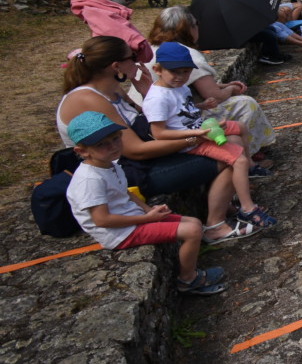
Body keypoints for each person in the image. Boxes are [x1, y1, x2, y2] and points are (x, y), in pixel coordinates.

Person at [56, 36, 256, 245]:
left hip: (136, 162)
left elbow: (146, 119)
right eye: (132, 57)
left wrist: (146, 91)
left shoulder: (111, 89)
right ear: (116, 66)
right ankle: (215, 226)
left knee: (229, 139)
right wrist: (193, 139)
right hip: (127, 170)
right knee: (229, 157)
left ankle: (228, 205)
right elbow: (135, 150)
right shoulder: (89, 99)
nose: (138, 62)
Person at [64, 111, 224, 295]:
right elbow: (102, 220)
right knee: (193, 231)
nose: (113, 146)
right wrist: (147, 218)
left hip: (133, 218)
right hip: (118, 233)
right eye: (102, 144)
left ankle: (191, 266)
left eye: (116, 139)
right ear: (82, 151)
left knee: (194, 222)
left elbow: (123, 192)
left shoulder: (110, 164)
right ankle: (188, 280)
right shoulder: (89, 180)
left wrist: (149, 210)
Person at [142, 43, 278, 230]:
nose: (181, 77)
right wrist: (196, 134)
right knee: (238, 160)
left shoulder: (179, 87)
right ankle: (248, 207)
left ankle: (250, 168)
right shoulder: (157, 98)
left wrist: (202, 106)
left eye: (186, 72)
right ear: (157, 70)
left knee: (240, 128)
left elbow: (181, 111)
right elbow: (158, 133)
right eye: (175, 72)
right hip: (191, 142)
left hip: (203, 129)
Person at [137, 6, 278, 161]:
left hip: (146, 114)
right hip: (172, 119)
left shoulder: (150, 51)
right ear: (189, 29)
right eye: (196, 24)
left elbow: (191, 85)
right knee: (245, 103)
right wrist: (231, 88)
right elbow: (214, 96)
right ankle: (248, 150)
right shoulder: (185, 55)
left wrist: (223, 86)